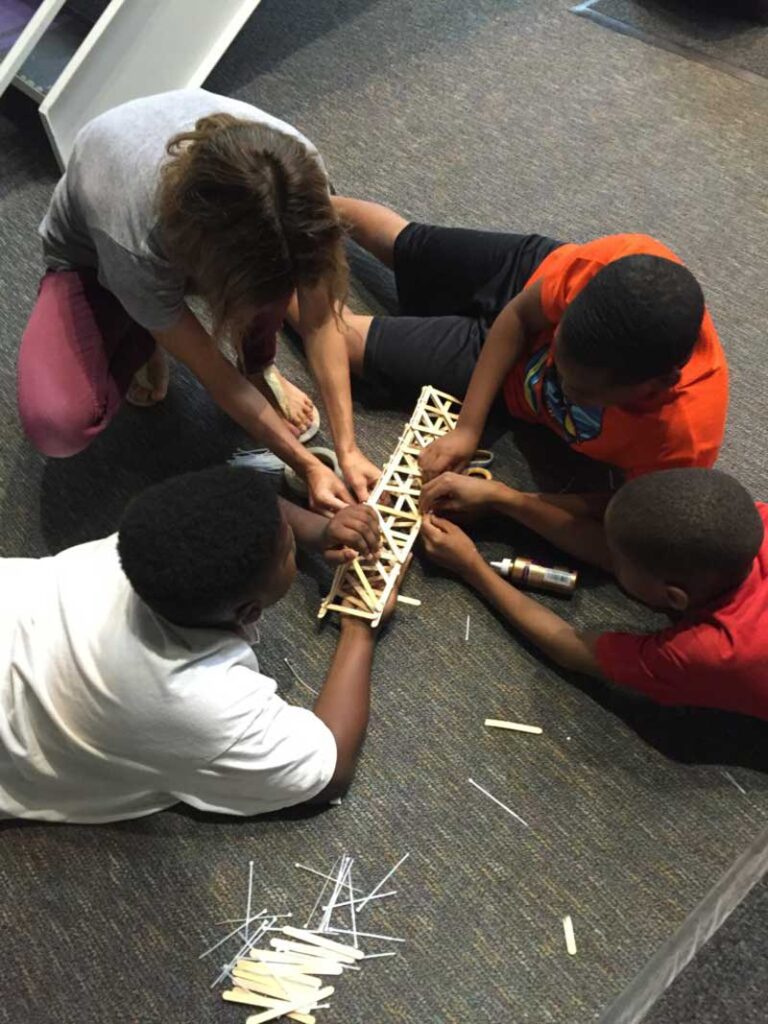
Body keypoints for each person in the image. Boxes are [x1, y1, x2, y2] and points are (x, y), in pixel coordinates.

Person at [293, 197, 728, 563]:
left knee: (345, 344)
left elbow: (619, 514)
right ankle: (301, 201)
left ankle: (280, 289)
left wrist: (508, 502)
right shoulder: (608, 266)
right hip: (525, 279)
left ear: (655, 385)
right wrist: (467, 428)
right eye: (561, 361)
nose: (567, 386)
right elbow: (520, 316)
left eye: (584, 393)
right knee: (406, 243)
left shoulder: (683, 441)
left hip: (514, 382)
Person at [18, 89, 380, 512]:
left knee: (270, 280)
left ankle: (246, 357)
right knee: (57, 424)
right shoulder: (135, 236)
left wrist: (348, 448)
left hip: (196, 244)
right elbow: (212, 370)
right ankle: (144, 327)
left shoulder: (298, 173)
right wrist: (306, 465)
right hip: (96, 255)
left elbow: (319, 323)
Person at [0, 466, 393, 823]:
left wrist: (317, 531)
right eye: (290, 550)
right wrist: (359, 627)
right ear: (247, 612)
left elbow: (245, 499)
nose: (295, 542)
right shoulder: (198, 701)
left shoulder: (149, 540)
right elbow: (331, 770)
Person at [420, 468, 768, 721]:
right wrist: (503, 497)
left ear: (676, 598)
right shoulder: (749, 522)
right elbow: (619, 543)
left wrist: (472, 567)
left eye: (619, 561)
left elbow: (572, 649)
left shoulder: (709, 649)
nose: (609, 558)